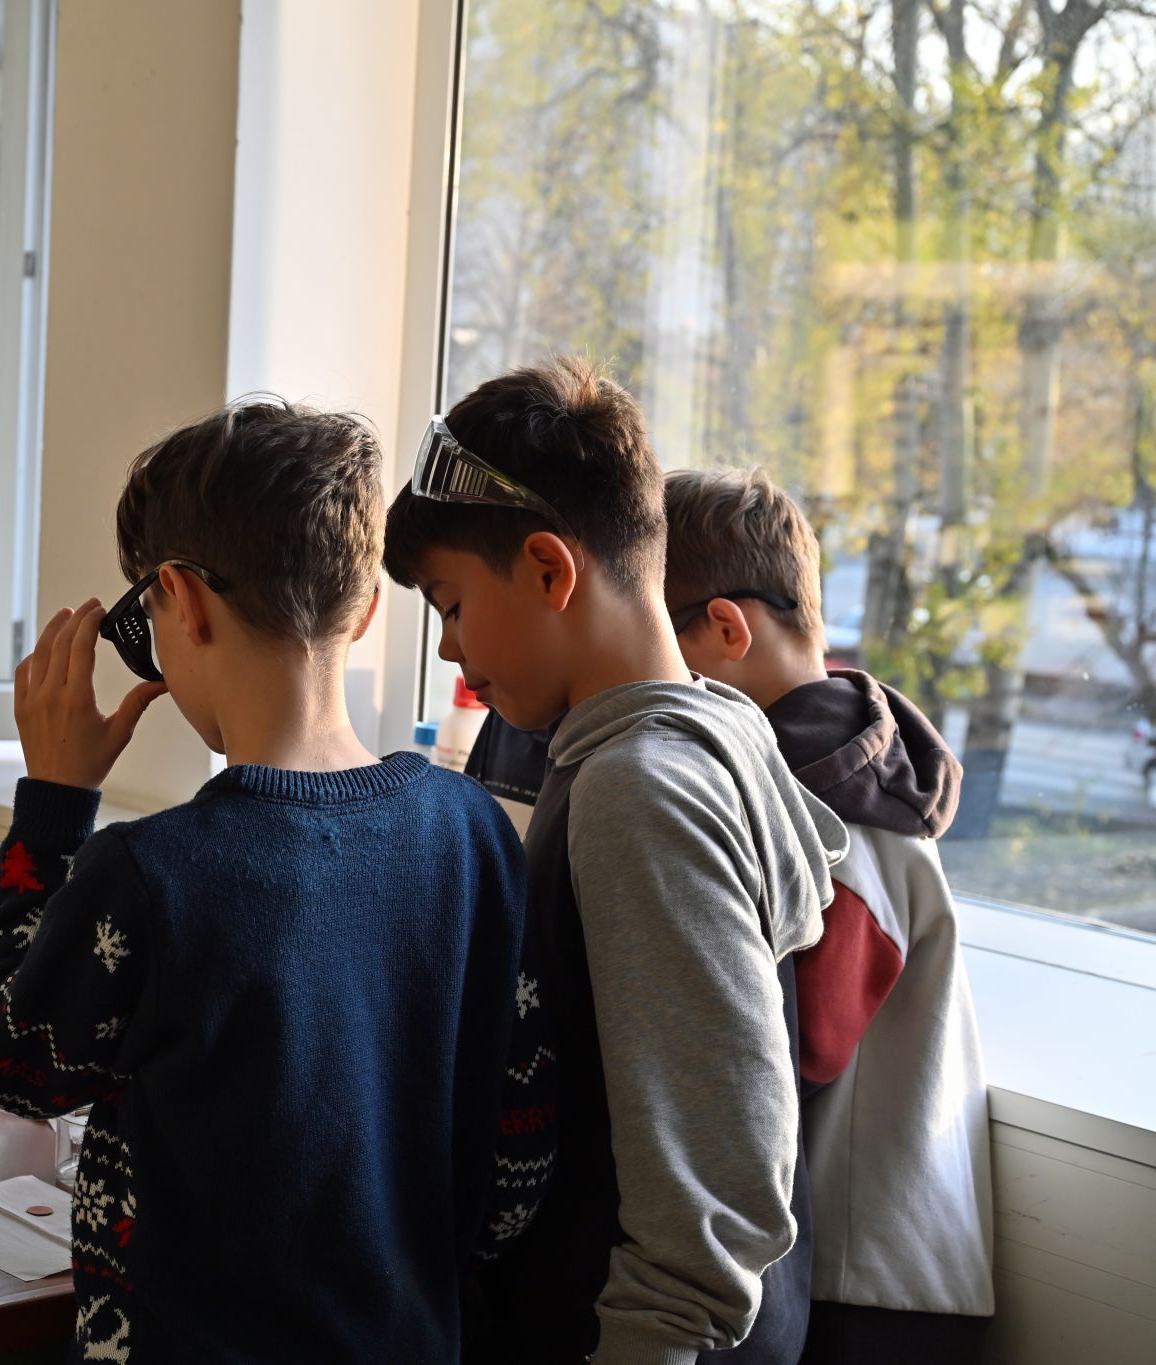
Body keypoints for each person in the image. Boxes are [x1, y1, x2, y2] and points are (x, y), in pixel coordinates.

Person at [0, 400, 555, 1361]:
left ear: (183, 601)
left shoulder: (149, 873)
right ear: (367, 608)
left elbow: (19, 1067)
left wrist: (53, 806)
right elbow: (518, 1158)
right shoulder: (474, 833)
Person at [383, 358, 846, 1365]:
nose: (453, 653)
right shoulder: (713, 729)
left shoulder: (639, 789)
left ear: (550, 570)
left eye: (452, 605)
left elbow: (718, 1173)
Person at [662, 468, 994, 1364]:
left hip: (878, 1280)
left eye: (660, 648)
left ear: (727, 630)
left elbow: (795, 1053)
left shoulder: (842, 817)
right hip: (855, 1262)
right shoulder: (833, 768)